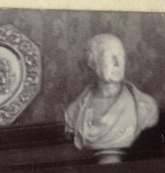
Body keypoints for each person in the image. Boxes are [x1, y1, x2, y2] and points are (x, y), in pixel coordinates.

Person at [64, 33, 159, 161]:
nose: (117, 63)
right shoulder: (74, 112)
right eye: (109, 56)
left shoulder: (146, 106)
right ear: (93, 63)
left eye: (120, 55)